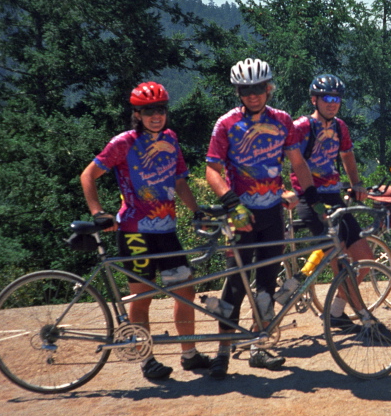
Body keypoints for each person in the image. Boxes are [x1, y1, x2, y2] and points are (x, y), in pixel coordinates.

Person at [80, 81, 210, 381]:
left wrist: (196, 211)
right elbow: (88, 175)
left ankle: (188, 354)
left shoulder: (171, 139)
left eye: (161, 109)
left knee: (185, 291)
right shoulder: (122, 143)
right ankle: (146, 358)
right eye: (148, 111)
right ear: (137, 114)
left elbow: (179, 182)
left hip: (167, 231)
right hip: (134, 232)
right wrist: (98, 212)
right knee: (142, 298)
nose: (156, 116)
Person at [205, 58, 320, 379]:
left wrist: (312, 197)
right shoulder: (226, 124)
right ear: (238, 91)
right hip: (240, 214)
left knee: (267, 282)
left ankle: (258, 347)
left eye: (257, 89)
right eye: (245, 90)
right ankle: (223, 352)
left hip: (271, 212)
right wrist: (230, 202)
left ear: (268, 88)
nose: (252, 95)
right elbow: (211, 170)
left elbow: (297, 163)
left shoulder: (283, 121)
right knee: (235, 283)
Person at [291, 74, 374, 330]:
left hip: (334, 196)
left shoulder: (340, 126)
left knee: (365, 259)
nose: (332, 103)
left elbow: (347, 155)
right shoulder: (302, 127)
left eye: (337, 98)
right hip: (310, 198)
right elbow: (290, 160)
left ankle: (336, 312)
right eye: (327, 98)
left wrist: (356, 183)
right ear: (314, 99)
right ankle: (364, 316)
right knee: (342, 262)